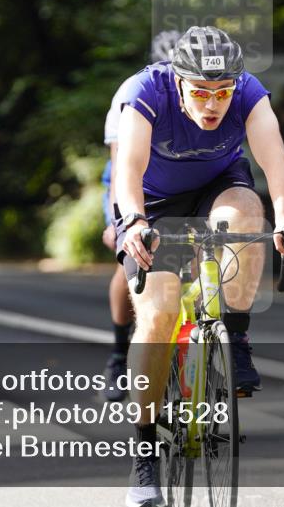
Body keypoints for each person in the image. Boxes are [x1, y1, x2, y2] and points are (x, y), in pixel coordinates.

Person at [114, 26, 284, 507]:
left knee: (247, 214)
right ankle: (144, 456)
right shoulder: (146, 91)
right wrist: (135, 222)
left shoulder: (248, 93)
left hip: (220, 184)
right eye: (200, 91)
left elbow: (274, 160)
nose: (212, 103)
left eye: (221, 92)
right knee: (157, 317)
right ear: (178, 82)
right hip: (153, 203)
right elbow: (128, 168)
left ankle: (235, 339)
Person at [101, 30, 181, 402]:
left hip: (179, 179)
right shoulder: (134, 93)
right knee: (132, 256)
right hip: (132, 177)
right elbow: (123, 167)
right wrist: (120, 221)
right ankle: (118, 358)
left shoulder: (205, 91)